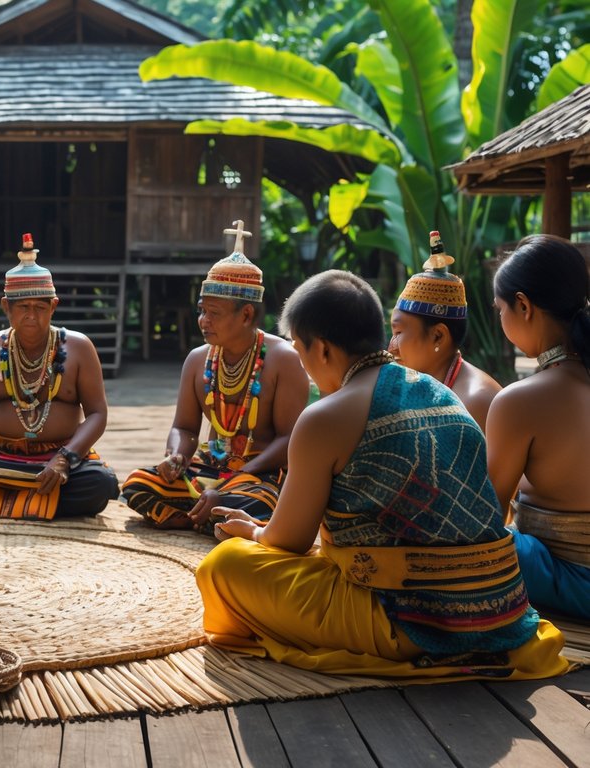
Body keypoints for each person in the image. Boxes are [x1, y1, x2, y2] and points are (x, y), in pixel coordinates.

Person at [196, 269, 567, 680]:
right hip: (500, 612)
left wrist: (254, 532)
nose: (303, 366)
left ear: (322, 349)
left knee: (224, 565)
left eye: (300, 350)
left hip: (415, 623)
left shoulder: (323, 418)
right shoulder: (442, 393)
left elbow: (289, 541)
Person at [121, 222, 306, 529]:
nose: (203, 321)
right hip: (210, 468)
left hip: (260, 475)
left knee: (257, 503)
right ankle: (210, 517)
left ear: (246, 315)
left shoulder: (283, 359)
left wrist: (237, 478)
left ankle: (208, 514)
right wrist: (176, 457)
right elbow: (184, 427)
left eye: (214, 313)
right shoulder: (198, 359)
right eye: (201, 311)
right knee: (138, 484)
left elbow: (290, 440)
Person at [0, 234, 119, 519]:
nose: (31, 316)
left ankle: (5, 497)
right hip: (0, 459)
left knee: (100, 484)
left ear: (53, 306)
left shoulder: (79, 348)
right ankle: (41, 499)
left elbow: (97, 414)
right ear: (6, 307)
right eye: (23, 307)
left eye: (40, 307)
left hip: (61, 459)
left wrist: (65, 458)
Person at [487, 235, 590, 618]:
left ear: (524, 306)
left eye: (500, 309)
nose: (501, 318)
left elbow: (487, 521)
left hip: (572, 583)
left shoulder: (520, 401)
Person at [389, 230, 501, 429]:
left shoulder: (475, 401)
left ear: (438, 336)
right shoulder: (423, 384)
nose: (391, 348)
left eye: (398, 333)